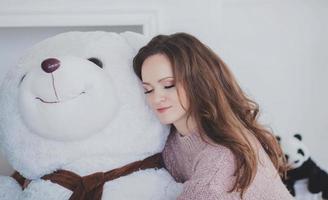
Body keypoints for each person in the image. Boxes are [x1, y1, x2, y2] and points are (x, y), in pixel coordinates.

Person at [133, 32, 293, 200]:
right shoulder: (170, 138)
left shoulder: (220, 159)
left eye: (168, 85)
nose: (156, 98)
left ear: (198, 81)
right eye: (148, 89)